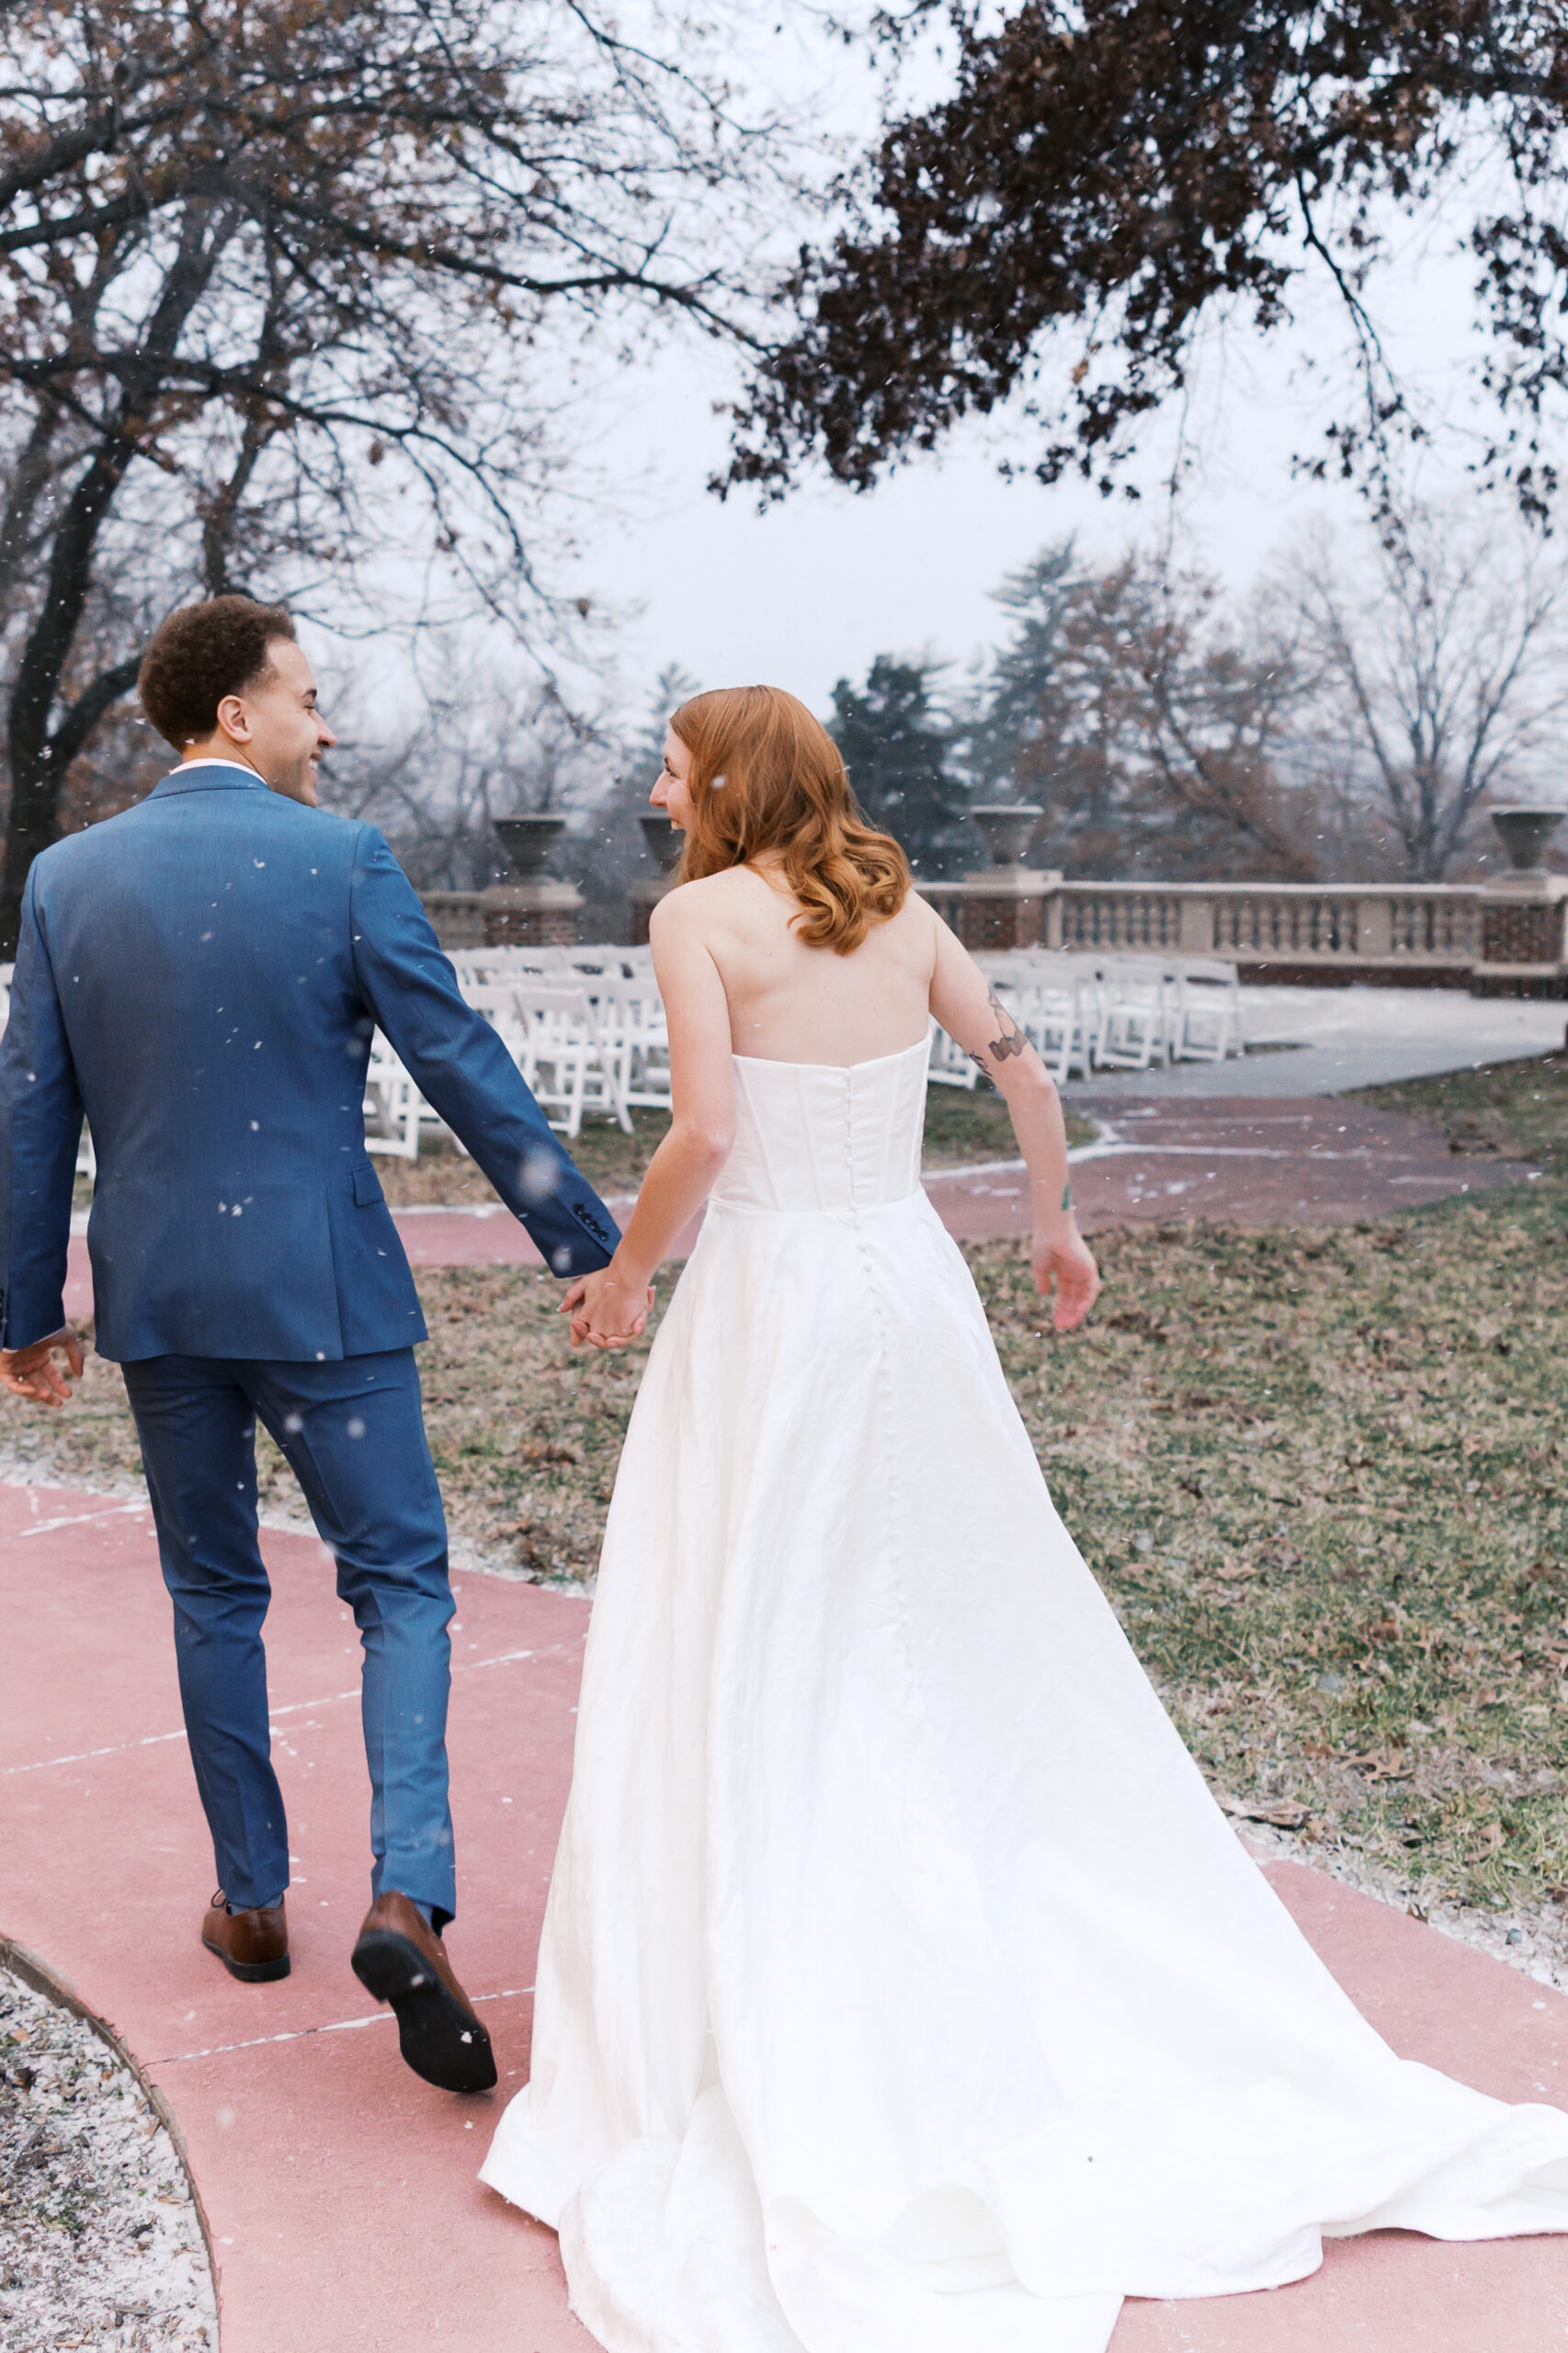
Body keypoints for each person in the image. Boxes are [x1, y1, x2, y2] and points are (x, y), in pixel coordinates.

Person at [481, 684, 1568, 2351]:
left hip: (773, 1299)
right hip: (911, 1287)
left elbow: (701, 1129)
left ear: (726, 782)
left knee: (765, 1612)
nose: (656, 783)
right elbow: (1018, 1066)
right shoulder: (902, 910)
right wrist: (1055, 1226)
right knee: (952, 1599)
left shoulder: (693, 914)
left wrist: (627, 1275)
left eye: (674, 760)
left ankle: (804, 1925)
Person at [0, 596, 620, 2096]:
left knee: (212, 1588)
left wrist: (24, 1314)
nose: (324, 727)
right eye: (309, 698)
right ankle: (406, 1892)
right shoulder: (340, 862)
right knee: (400, 1584)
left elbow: (31, 1109)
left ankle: (253, 1903)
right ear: (235, 717)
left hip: (160, 1300)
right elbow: (456, 1060)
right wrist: (583, 1238)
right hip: (324, 1294)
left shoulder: (68, 879)